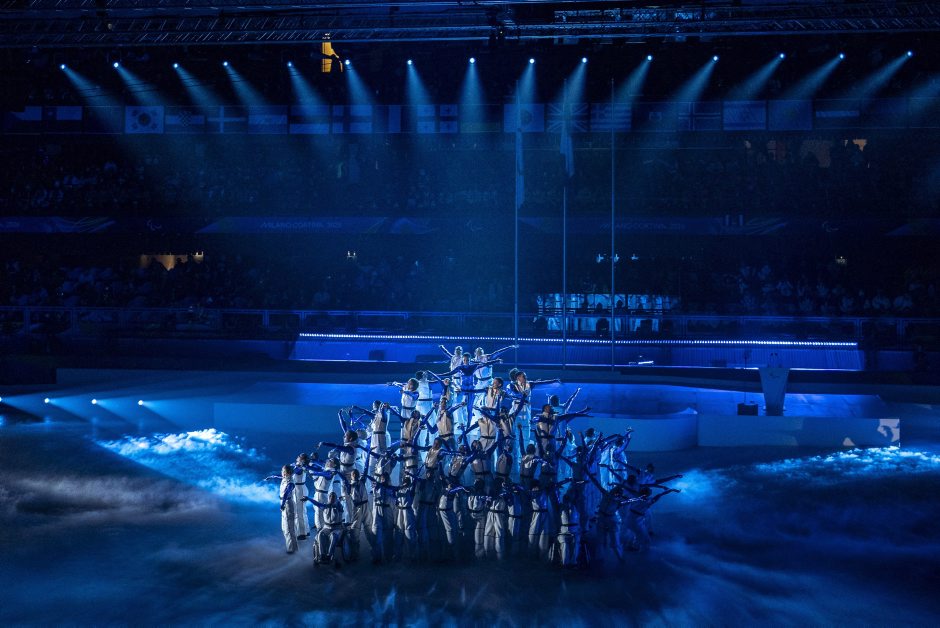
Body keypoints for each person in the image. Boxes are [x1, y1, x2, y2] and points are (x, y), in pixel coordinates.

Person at [274, 464, 298, 554]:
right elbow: (279, 477)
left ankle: (292, 550)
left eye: (283, 471)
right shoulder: (285, 478)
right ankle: (291, 547)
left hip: (287, 505)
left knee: (289, 528)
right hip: (284, 503)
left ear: (287, 472)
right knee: (284, 528)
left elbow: (286, 493)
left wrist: (282, 504)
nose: (282, 472)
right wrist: (272, 476)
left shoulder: (290, 482)